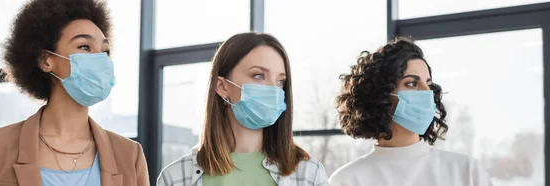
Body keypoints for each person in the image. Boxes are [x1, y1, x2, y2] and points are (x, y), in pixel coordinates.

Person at [0, 0, 149, 185]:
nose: (99, 59)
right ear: (45, 61)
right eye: (84, 46)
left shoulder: (130, 155)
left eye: (105, 51)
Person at [157, 33, 329, 186]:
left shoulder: (309, 173)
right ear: (222, 87)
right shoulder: (175, 177)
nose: (274, 90)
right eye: (259, 76)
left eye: (280, 81)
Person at [329, 37, 492, 186]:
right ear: (381, 95)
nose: (427, 92)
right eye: (412, 83)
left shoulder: (467, 172)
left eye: (428, 83)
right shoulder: (346, 180)